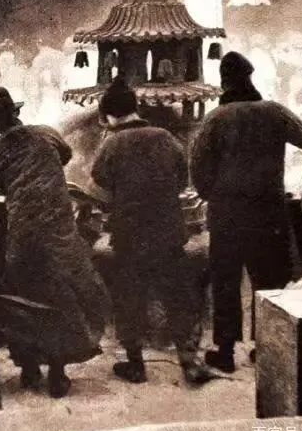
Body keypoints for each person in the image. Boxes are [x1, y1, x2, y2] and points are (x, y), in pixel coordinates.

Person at [190, 51, 302, 373]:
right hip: (267, 211)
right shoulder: (274, 112)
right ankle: (266, 347)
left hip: (227, 214)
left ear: (224, 82)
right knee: (269, 282)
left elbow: (198, 169)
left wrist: (213, 195)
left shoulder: (215, 119)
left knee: (226, 282)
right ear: (250, 77)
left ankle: (226, 352)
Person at [0, 86, 110, 398]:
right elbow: (65, 156)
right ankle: (57, 372)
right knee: (62, 297)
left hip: (22, 234)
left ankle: (29, 367)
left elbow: (0, 189)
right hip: (58, 233)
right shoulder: (46, 134)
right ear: (16, 112)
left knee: (22, 298)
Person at [89, 78, 213, 386]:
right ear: (135, 108)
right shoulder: (166, 138)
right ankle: (190, 362)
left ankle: (136, 366)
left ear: (108, 115)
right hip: (169, 231)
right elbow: (182, 181)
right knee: (177, 296)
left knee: (129, 299)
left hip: (129, 235)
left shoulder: (111, 145)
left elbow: (100, 193)